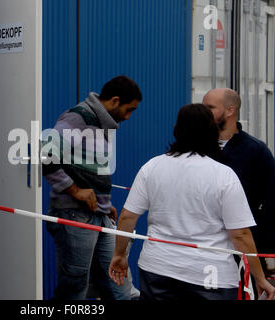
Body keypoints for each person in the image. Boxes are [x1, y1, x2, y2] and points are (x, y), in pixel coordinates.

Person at [108, 103, 275, 300]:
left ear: (177, 131)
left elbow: (128, 217)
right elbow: (240, 234)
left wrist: (120, 255)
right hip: (210, 275)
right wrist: (259, 277)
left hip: (157, 268)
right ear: (213, 133)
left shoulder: (152, 167)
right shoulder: (224, 175)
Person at [43, 75, 142, 300]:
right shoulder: (79, 118)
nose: (128, 117)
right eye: (129, 109)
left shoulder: (100, 121)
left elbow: (89, 168)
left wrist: (105, 204)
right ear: (115, 101)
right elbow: (45, 155)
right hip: (75, 215)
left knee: (120, 288)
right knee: (74, 291)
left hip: (99, 216)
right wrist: (74, 190)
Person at [203, 89, 275, 281]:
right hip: (201, 248)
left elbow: (270, 202)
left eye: (209, 107)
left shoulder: (256, 151)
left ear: (230, 110)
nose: (203, 112)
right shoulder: (195, 148)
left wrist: (264, 254)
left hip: (241, 250)